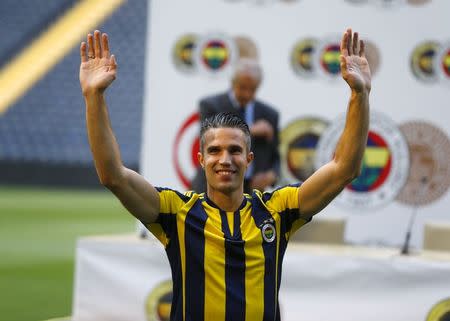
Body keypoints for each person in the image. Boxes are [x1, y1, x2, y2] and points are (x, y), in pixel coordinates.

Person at [79, 28, 370, 321]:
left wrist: (359, 94)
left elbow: (344, 169)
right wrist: (94, 96)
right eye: (215, 151)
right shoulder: (177, 212)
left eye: (234, 150)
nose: (225, 159)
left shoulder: (277, 210)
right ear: (201, 160)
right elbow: (113, 175)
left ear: (249, 158)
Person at [191, 58, 279, 194]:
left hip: (250, 193)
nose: (247, 94)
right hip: (210, 189)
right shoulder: (210, 105)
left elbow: (276, 157)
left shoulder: (270, 114)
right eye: (243, 87)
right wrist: (252, 130)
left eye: (253, 89)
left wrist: (272, 175)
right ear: (233, 83)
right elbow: (209, 136)